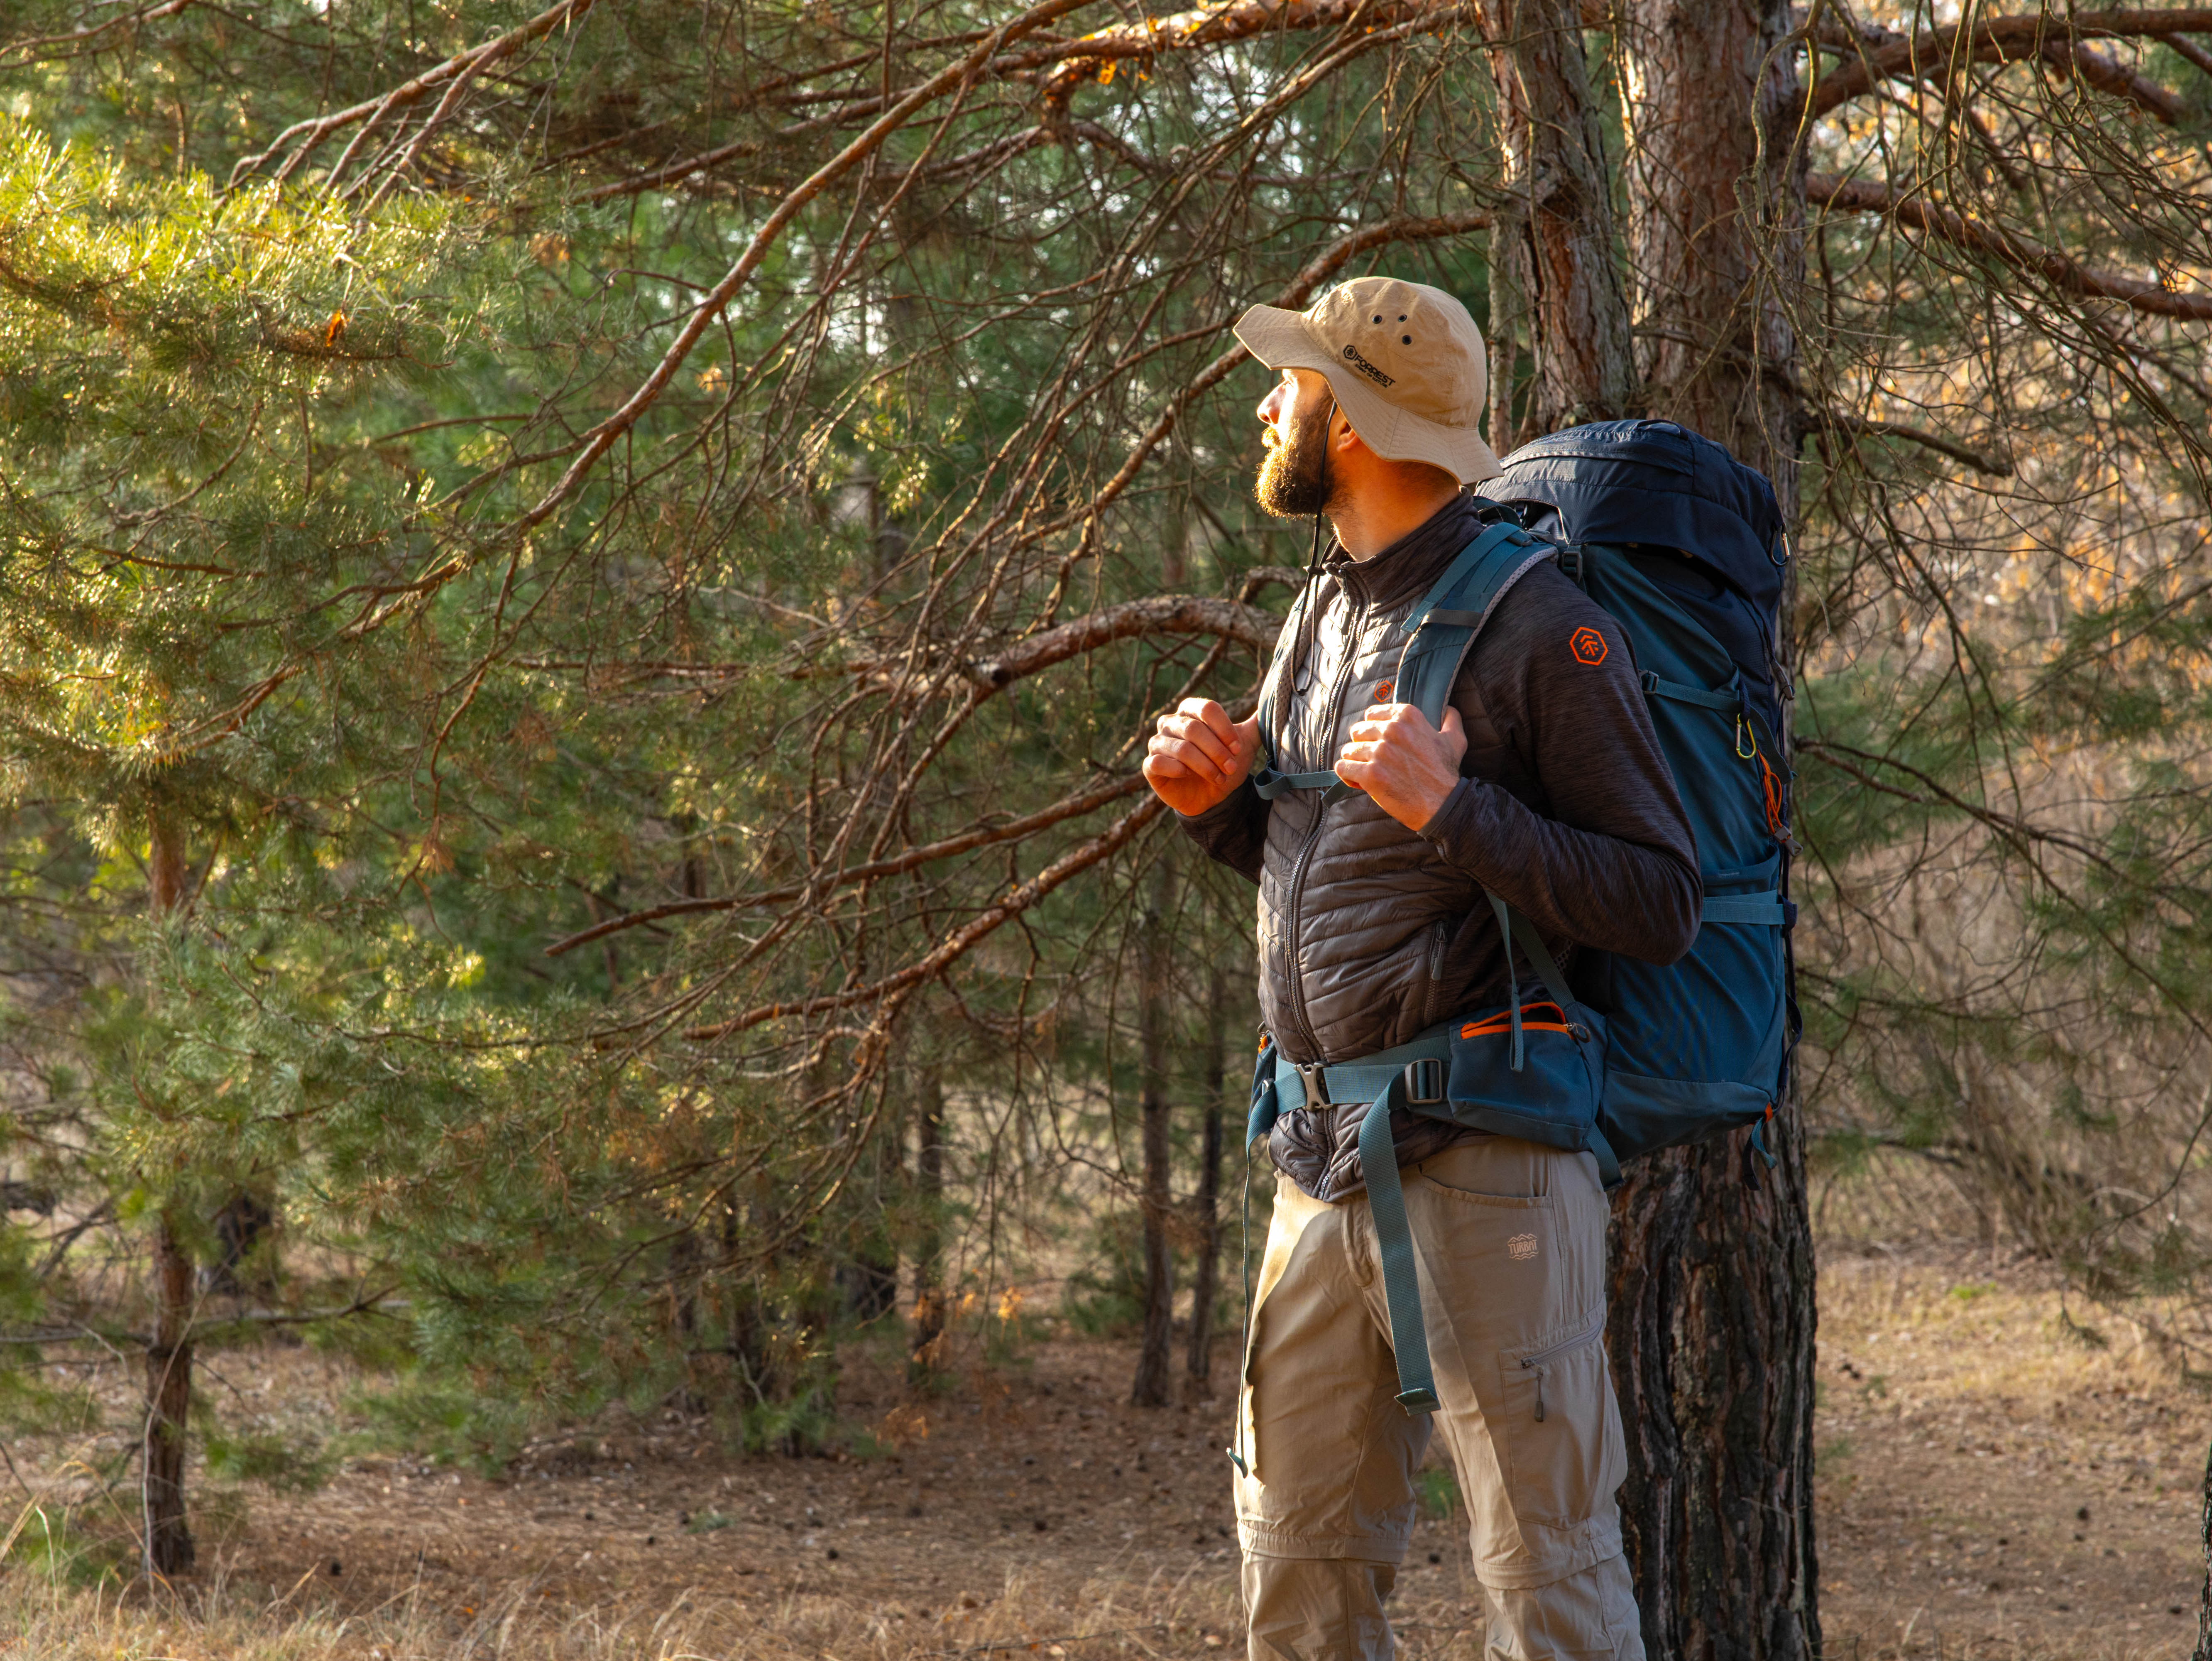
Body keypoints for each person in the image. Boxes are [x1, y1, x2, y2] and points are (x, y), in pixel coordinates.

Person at [1142, 276, 1699, 1661]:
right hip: (1317, 1165)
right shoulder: (1320, 613)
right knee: (1298, 1585)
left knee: (1552, 1592)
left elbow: (1661, 900)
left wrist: (1459, 809)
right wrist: (1218, 809)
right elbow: (1339, 888)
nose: (1267, 407)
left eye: (1292, 383)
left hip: (1490, 1170)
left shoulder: (1540, 626)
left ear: (1355, 417)